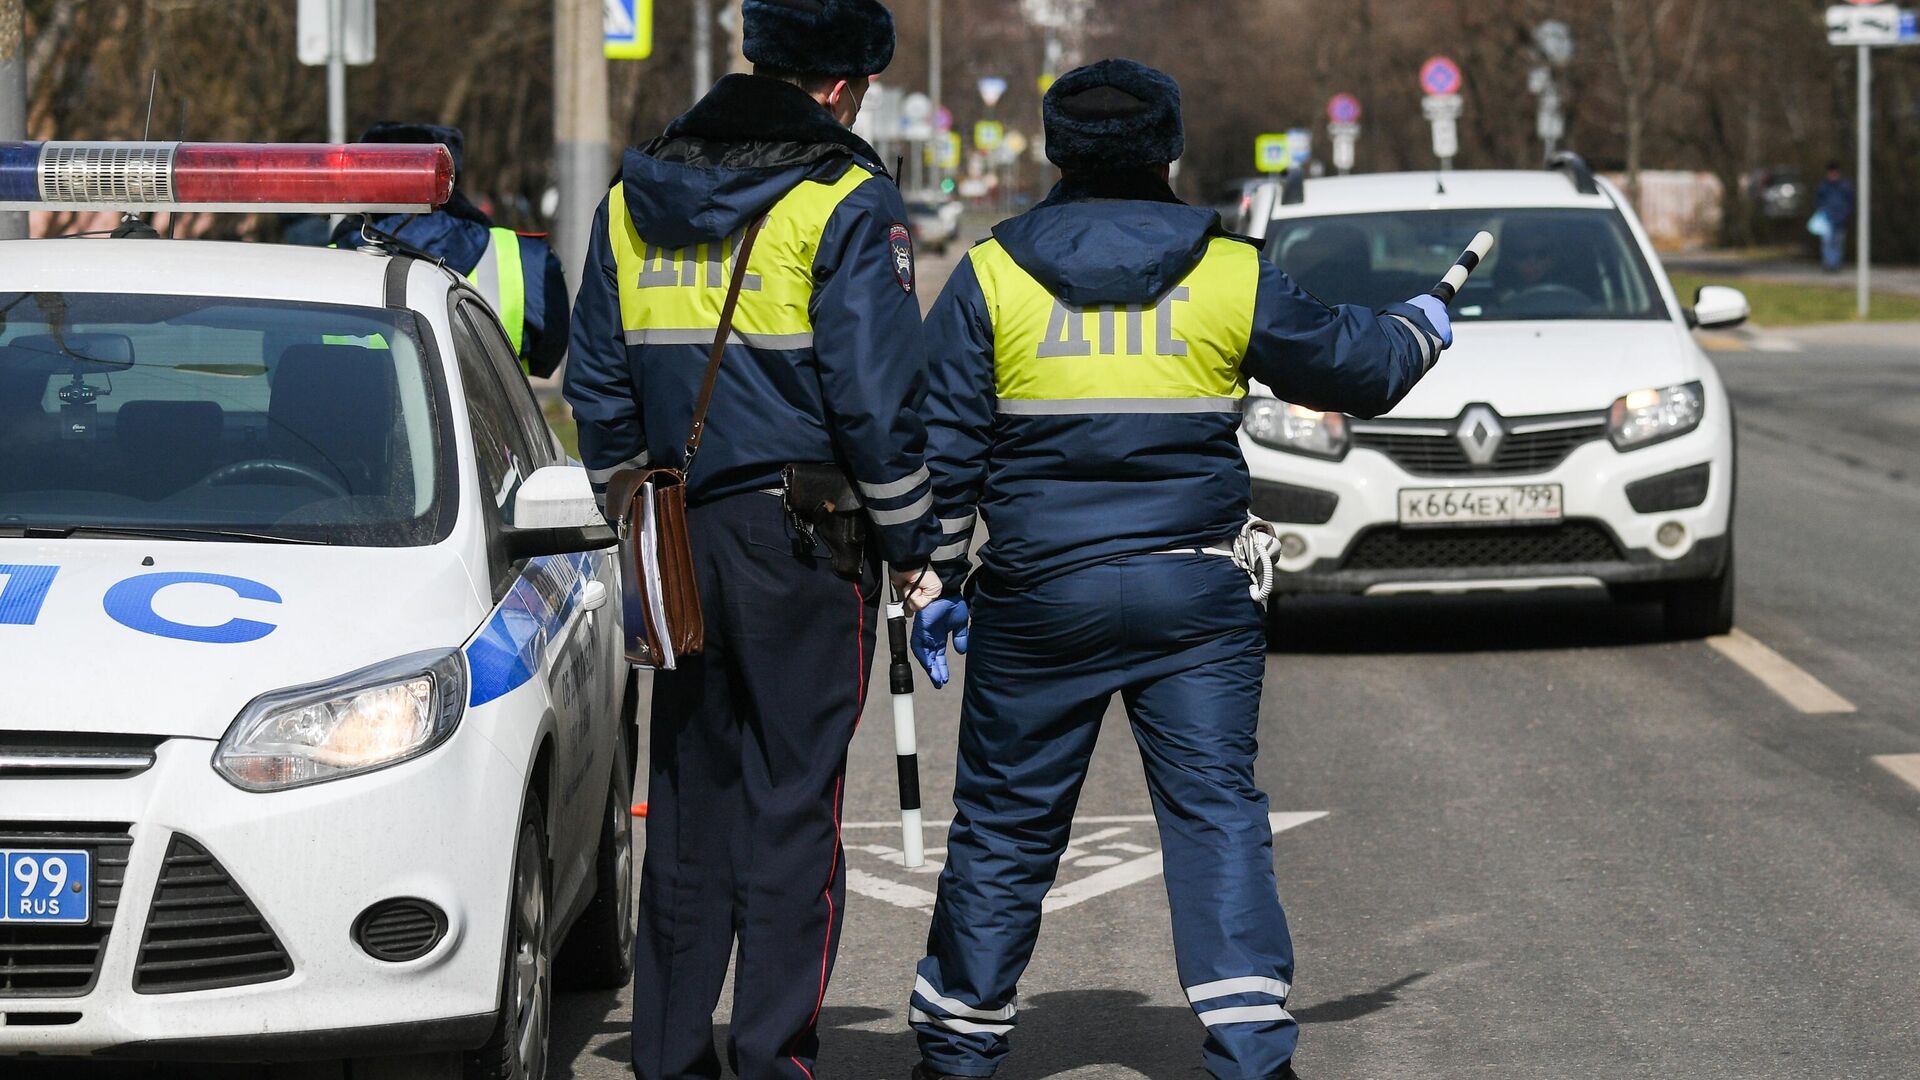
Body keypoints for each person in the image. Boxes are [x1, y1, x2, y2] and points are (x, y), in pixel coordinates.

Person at [905, 59, 1454, 1080]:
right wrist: (1424, 324)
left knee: (1005, 828)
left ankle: (958, 1051)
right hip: (1193, 595)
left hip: (1039, 598)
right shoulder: (1228, 271)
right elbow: (1363, 369)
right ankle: (1250, 1051)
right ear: (1170, 148)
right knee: (1214, 819)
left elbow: (943, 444)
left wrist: (932, 573)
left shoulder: (991, 275)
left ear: (1055, 150)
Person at [562, 2, 943, 1078]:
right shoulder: (845, 203)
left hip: (671, 535)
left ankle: (670, 1056)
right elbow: (874, 401)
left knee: (685, 804)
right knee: (792, 806)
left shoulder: (632, 201)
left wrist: (636, 506)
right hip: (803, 542)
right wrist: (914, 544)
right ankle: (772, 1055)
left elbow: (594, 382)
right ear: (837, 88)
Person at [331, 122, 569, 377]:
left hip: (355, 414)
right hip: (482, 413)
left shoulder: (328, 261)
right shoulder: (524, 257)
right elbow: (548, 357)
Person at [1815, 162, 1855, 273]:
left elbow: (1850, 202)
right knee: (1827, 243)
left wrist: (1845, 214)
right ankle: (1828, 264)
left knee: (1838, 243)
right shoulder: (1823, 186)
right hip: (1827, 220)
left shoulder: (1845, 186)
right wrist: (1823, 213)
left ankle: (1836, 265)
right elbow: (1818, 202)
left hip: (1841, 220)